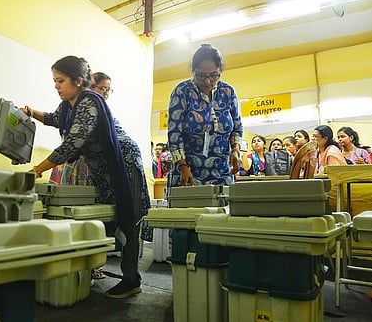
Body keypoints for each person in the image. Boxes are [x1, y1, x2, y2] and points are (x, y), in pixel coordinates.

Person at [22, 56, 149, 299]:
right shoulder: (69, 103)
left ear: (78, 81)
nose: (56, 86)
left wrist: (36, 169)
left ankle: (132, 279)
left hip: (124, 163)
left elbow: (71, 146)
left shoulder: (89, 102)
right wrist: (30, 112)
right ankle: (90, 270)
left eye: (60, 81)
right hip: (102, 167)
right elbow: (53, 118)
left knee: (128, 219)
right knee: (107, 218)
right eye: (54, 81)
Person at [167, 43, 243, 187]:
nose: (208, 81)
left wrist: (235, 150)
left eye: (214, 75)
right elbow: (174, 133)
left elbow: (237, 127)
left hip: (222, 173)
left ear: (220, 70)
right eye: (201, 75)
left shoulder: (228, 91)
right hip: (188, 173)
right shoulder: (182, 91)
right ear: (192, 70)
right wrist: (182, 166)